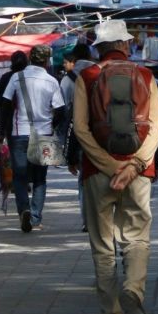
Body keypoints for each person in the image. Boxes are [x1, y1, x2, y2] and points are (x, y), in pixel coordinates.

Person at [73, 20, 158, 314]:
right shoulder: (146, 76)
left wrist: (110, 166)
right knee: (137, 238)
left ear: (99, 48)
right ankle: (133, 292)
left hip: (98, 173)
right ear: (125, 45)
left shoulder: (87, 76)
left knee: (102, 246)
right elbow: (155, 128)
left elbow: (81, 129)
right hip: (139, 174)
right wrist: (134, 166)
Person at [1, 45, 65, 232]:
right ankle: (35, 217)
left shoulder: (16, 77)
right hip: (44, 133)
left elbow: (5, 106)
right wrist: (51, 126)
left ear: (30, 58)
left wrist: (2, 133)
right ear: (46, 61)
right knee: (40, 178)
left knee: (20, 177)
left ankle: (24, 210)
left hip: (19, 132)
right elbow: (61, 110)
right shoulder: (52, 81)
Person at [62, 44, 96, 233]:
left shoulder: (67, 79)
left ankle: (87, 221)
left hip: (77, 133)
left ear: (74, 58)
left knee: (84, 179)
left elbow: (64, 108)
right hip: (100, 133)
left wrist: (68, 153)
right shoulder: (101, 72)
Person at [0, 50, 28, 140]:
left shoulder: (6, 77)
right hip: (24, 123)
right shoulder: (29, 79)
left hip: (4, 121)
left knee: (3, 149)